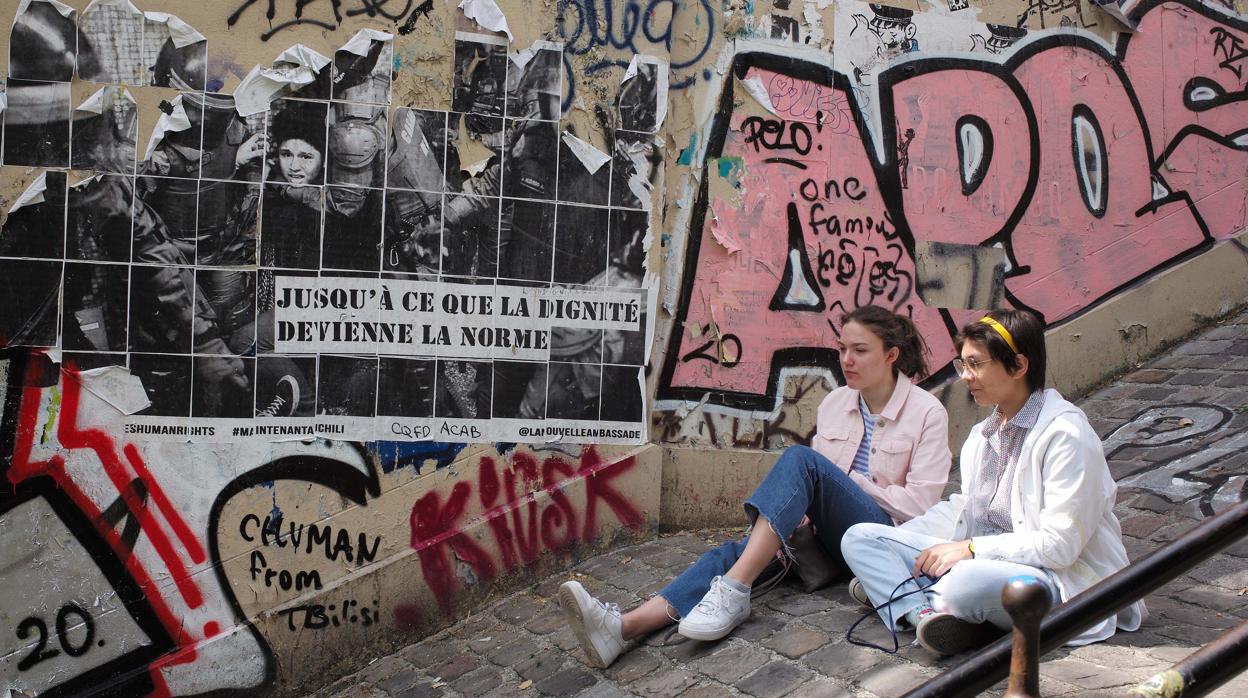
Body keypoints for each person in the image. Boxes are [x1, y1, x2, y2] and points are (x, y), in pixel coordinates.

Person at [559, 305, 953, 668]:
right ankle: (624, 627)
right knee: (736, 553)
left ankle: (734, 591)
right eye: (842, 348)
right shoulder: (835, 403)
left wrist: (845, 485)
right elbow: (814, 485)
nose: (846, 360)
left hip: (880, 541)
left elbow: (920, 505)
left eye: (860, 350)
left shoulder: (926, 412)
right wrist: (802, 513)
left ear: (891, 355)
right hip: (824, 544)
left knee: (801, 460)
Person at [840, 310, 1146, 657]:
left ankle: (903, 593)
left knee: (962, 585)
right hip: (981, 561)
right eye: (962, 365)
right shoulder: (981, 436)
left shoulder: (1066, 436)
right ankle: (923, 613)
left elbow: (1060, 547)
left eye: (975, 364)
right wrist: (900, 545)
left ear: (1017, 366)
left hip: (1055, 582)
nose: (966, 377)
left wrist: (970, 550)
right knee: (860, 539)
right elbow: (965, 508)